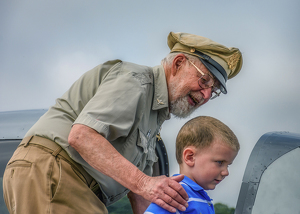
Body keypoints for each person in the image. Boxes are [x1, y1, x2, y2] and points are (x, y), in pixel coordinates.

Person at [3, 32, 243, 214]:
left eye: (214, 90)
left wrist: (152, 196)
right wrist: (145, 183)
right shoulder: (137, 80)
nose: (207, 95)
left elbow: (141, 195)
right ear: (178, 63)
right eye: (204, 81)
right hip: (56, 172)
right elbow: (82, 136)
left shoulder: (155, 115)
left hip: (75, 184)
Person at [144, 116, 240, 214]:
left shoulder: (198, 197)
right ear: (190, 157)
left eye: (228, 165)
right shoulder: (177, 194)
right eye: (220, 162)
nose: (226, 172)